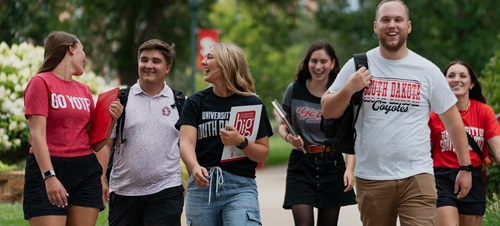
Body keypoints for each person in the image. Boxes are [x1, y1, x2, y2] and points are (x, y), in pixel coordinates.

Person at [321, 1, 472, 225]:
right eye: (385, 20)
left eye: (398, 20)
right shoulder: (358, 65)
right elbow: (327, 110)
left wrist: (465, 167)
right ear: (375, 26)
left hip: (417, 175)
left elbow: (453, 121)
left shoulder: (427, 70)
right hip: (372, 177)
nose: (392, 25)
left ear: (408, 26)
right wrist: (350, 88)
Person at [23, 31, 123, 226]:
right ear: (71, 49)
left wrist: (112, 120)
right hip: (50, 166)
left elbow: (95, 143)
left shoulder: (84, 90)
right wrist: (49, 176)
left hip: (85, 170)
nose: (85, 57)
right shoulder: (41, 82)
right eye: (82, 50)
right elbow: (37, 135)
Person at [176, 42, 273, 226]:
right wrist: (194, 167)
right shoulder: (195, 102)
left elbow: (263, 153)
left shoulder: (252, 104)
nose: (203, 62)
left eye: (209, 57)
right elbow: (186, 142)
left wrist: (241, 141)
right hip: (202, 187)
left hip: (241, 187)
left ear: (227, 63)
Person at [95, 39, 185, 226]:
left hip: (166, 189)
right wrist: (101, 177)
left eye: (155, 61)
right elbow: (105, 144)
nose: (148, 65)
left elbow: (188, 145)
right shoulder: (120, 99)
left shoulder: (180, 102)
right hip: (124, 191)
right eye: (144, 60)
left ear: (167, 67)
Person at [279, 40, 356, 226]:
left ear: (332, 63)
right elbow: (282, 124)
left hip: (332, 163)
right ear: (307, 63)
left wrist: (349, 169)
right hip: (301, 163)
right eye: (314, 61)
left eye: (323, 61)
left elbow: (348, 136)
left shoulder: (341, 93)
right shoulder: (295, 89)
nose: (318, 66)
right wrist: (289, 137)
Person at [429, 61, 500, 226]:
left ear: (472, 83)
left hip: (474, 178)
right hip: (442, 179)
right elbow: (425, 151)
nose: (456, 79)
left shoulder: (484, 111)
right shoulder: (434, 114)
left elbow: (497, 147)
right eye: (451, 76)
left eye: (462, 75)